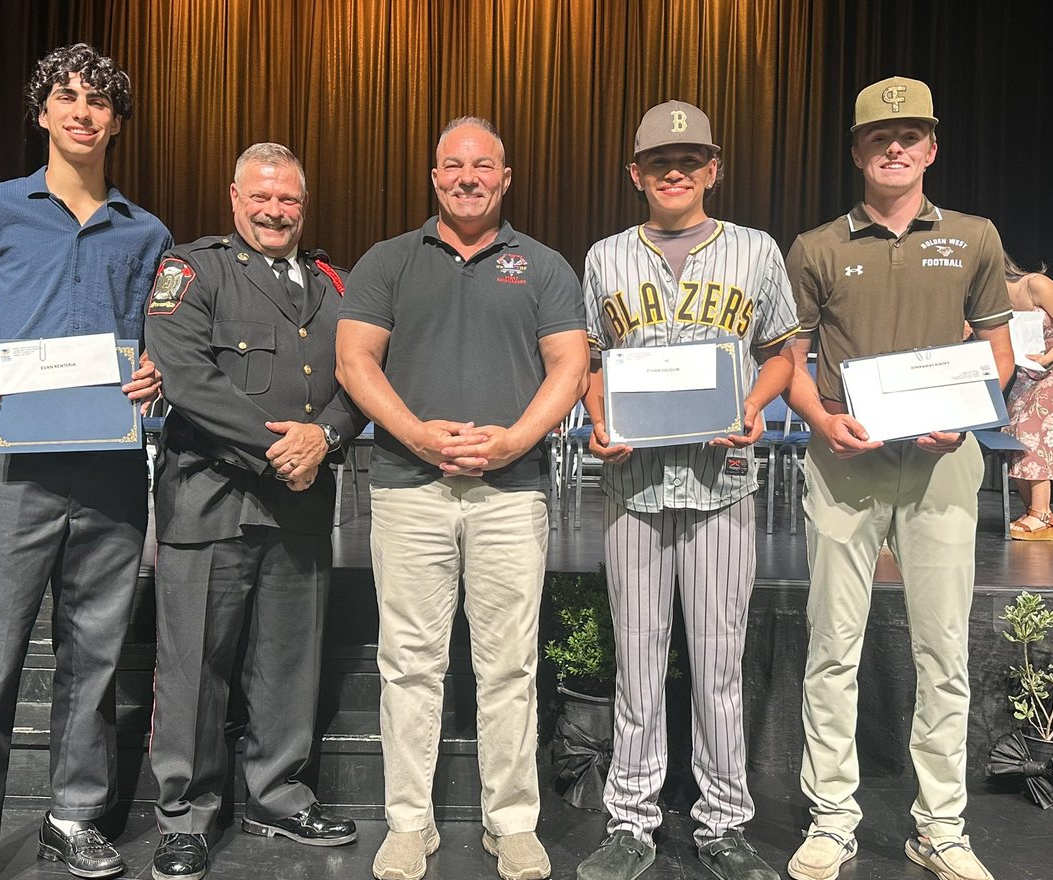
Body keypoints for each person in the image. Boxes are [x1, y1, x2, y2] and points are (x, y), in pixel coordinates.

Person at [0, 43, 172, 880]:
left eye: (98, 101)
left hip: (108, 466)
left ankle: (73, 816)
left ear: (115, 120)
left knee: (94, 656)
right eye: (66, 97)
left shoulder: (147, 232)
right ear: (41, 113)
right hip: (14, 465)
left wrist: (154, 372)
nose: (82, 111)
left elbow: (159, 344)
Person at [336, 117, 589, 880]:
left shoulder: (542, 266)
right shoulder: (387, 262)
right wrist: (414, 434)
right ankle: (409, 824)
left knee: (509, 667)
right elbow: (354, 361)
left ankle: (511, 823)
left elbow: (569, 367)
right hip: (411, 492)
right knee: (408, 664)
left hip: (510, 494)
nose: (468, 177)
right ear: (434, 177)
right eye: (454, 165)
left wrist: (515, 440)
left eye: (484, 166)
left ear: (505, 178)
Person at [782, 77, 1013, 880]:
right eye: (880, 137)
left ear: (931, 149)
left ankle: (941, 827)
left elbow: (998, 350)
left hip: (942, 465)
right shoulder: (815, 247)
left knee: (944, 650)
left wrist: (973, 412)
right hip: (846, 462)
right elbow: (791, 362)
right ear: (857, 150)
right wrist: (821, 418)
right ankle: (833, 819)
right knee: (832, 646)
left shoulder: (976, 237)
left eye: (910, 135)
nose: (895, 147)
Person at [574, 100, 795, 880]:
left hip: (720, 482)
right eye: (660, 161)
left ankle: (723, 822)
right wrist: (597, 418)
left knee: (718, 661)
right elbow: (592, 365)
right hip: (634, 483)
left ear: (714, 168)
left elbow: (779, 353)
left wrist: (754, 405)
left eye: (691, 159)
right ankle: (631, 821)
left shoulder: (756, 251)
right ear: (636, 173)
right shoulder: (605, 258)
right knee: (636, 660)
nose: (676, 171)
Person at [142, 142, 365, 880]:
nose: (275, 211)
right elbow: (186, 377)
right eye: (261, 198)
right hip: (211, 500)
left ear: (305, 205)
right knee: (194, 667)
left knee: (289, 664)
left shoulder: (336, 283)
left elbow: (362, 375)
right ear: (234, 198)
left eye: (290, 200)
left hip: (300, 508)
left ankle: (277, 796)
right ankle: (186, 816)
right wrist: (284, 451)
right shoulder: (192, 269)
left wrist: (326, 435)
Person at [1001, 254, 1053, 540]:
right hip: (1032, 366)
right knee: (1013, 428)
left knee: (1032, 426)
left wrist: (1048, 358)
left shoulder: (1035, 284)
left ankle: (1042, 515)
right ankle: (1034, 511)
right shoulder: (987, 302)